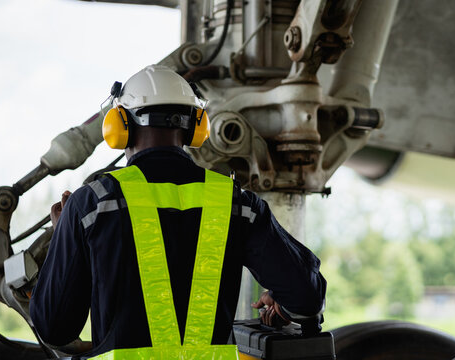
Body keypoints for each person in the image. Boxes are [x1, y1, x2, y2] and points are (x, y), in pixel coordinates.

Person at [30, 65, 326, 359]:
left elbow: (54, 328)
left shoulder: (92, 205)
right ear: (196, 126)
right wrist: (282, 301)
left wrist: (64, 236)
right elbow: (307, 297)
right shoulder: (237, 204)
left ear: (120, 127)